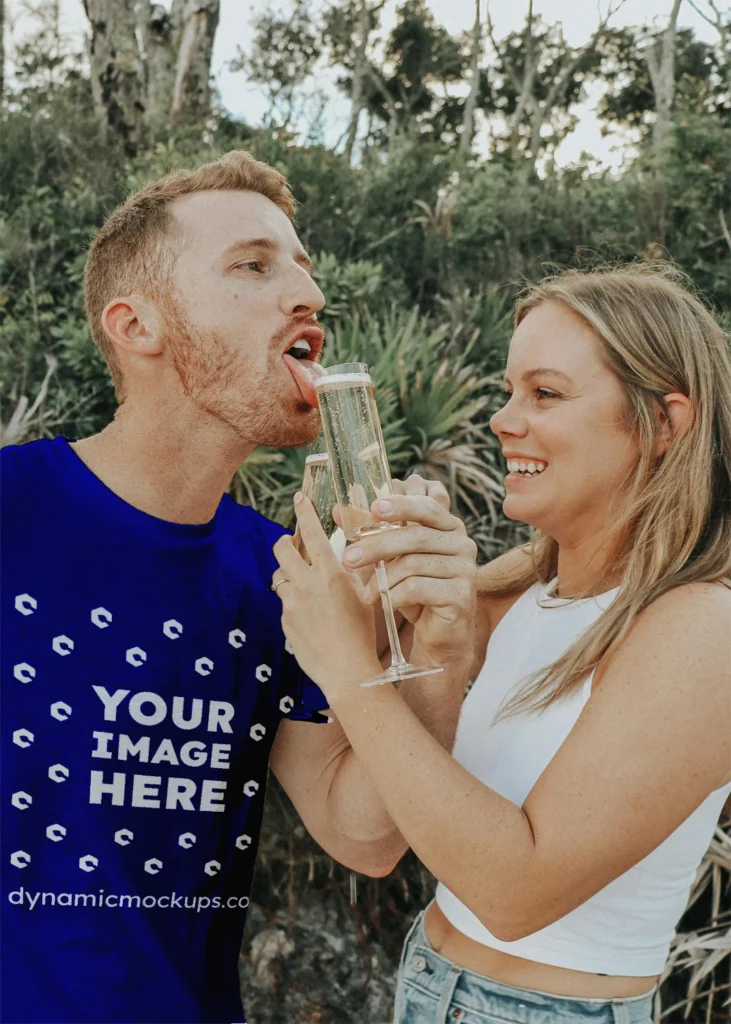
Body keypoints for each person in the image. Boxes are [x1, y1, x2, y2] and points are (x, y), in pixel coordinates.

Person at [0, 150, 474, 1024]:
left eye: (302, 267)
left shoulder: (283, 573)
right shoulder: (10, 510)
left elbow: (362, 835)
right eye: (254, 267)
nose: (308, 295)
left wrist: (440, 648)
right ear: (136, 324)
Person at [274, 264, 731, 1024]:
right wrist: (421, 633)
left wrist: (348, 668)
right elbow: (366, 826)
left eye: (544, 393)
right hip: (426, 978)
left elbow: (515, 892)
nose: (502, 419)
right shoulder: (520, 584)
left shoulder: (701, 626)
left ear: (664, 424)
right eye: (509, 390)